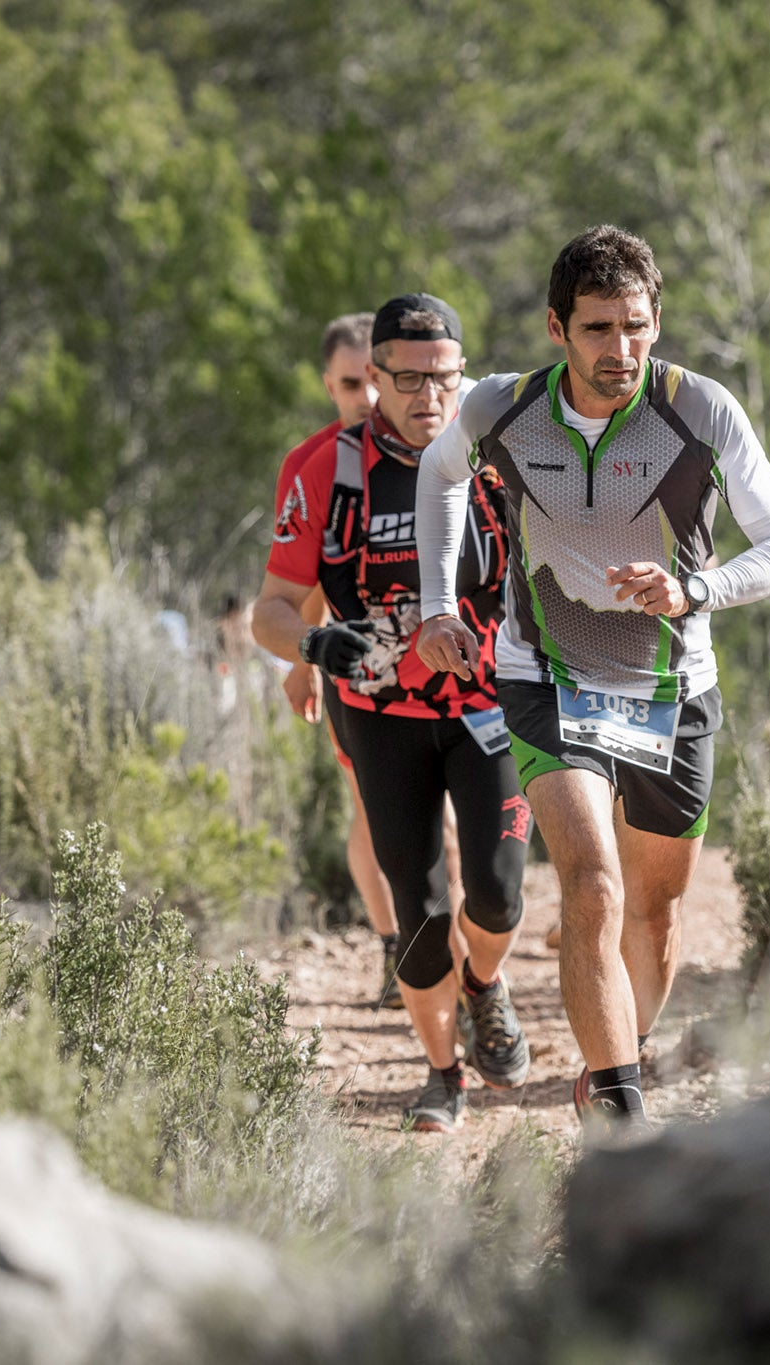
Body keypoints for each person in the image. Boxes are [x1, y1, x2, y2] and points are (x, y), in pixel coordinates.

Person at [415, 226, 770, 1133]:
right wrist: (440, 605)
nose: (620, 350)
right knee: (591, 885)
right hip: (545, 676)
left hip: (675, 688)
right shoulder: (499, 410)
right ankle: (622, 1117)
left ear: (657, 320)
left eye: (636, 326)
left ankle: (612, 1062)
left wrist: (695, 589)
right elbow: (440, 478)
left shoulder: (701, 411)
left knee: (655, 913)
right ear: (558, 329)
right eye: (597, 329)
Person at [255, 294, 532, 1133]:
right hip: (379, 713)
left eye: (442, 378)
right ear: (371, 379)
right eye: (405, 379)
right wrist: (314, 650)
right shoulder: (323, 468)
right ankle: (442, 1073)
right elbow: (269, 607)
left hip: (486, 699)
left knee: (498, 895)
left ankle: (485, 985)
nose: (427, 397)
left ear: (463, 375)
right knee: (418, 911)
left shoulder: (498, 456)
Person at [277, 313, 470, 1011]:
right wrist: (303, 664)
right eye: (349, 384)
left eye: (372, 382)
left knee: (448, 822)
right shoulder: (320, 460)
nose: (364, 398)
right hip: (360, 675)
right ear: (330, 384)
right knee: (372, 814)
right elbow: (301, 585)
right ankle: (398, 943)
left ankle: (454, 954)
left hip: (446, 673)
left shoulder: (440, 443)